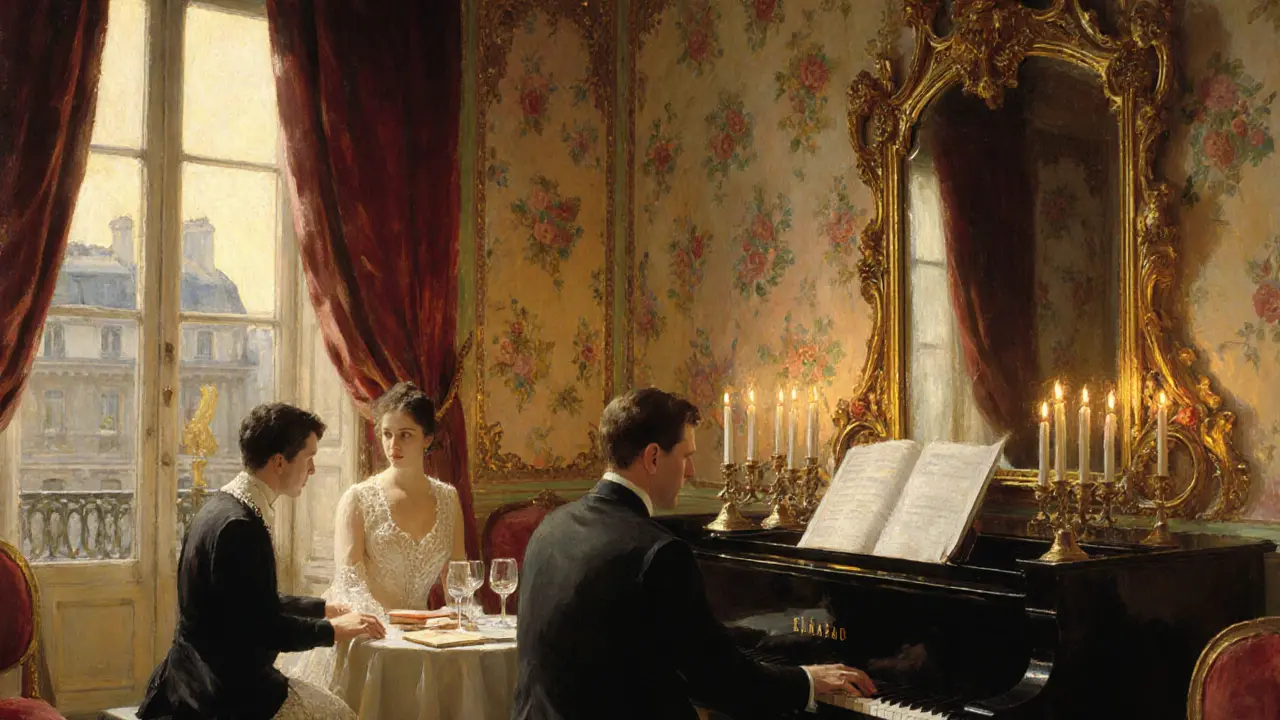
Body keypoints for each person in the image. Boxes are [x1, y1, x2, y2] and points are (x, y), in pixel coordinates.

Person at [513, 388, 877, 720]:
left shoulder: (549, 529)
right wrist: (806, 681)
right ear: (653, 457)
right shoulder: (659, 552)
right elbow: (719, 681)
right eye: (686, 455)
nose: (690, 471)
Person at [139, 403, 385, 720]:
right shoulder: (240, 527)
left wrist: (320, 607)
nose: (312, 470)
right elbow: (264, 629)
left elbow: (247, 603)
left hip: (196, 676)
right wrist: (332, 630)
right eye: (309, 458)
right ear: (279, 462)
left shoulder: (223, 506)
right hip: (221, 693)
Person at [279, 381, 466, 691]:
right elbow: (351, 586)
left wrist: (457, 618)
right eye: (387, 434)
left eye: (406, 435)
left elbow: (458, 576)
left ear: (427, 439)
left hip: (427, 637)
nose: (393, 446)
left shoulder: (448, 499)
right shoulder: (359, 498)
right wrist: (403, 626)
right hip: (369, 635)